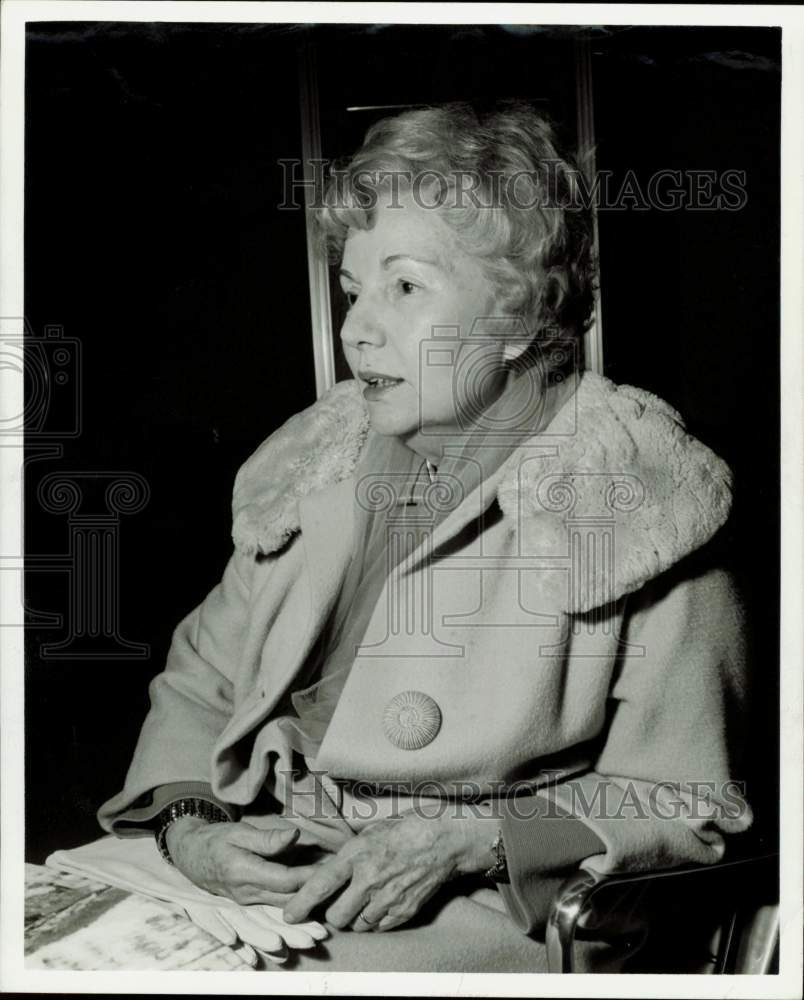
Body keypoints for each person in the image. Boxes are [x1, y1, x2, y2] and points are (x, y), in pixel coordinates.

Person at [97, 103, 752, 972]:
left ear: (518, 317)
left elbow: (690, 806)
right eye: (353, 288)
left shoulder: (640, 503)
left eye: (406, 287)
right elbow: (201, 684)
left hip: (479, 918)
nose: (357, 328)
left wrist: (469, 839)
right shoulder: (315, 464)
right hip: (261, 873)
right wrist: (192, 829)